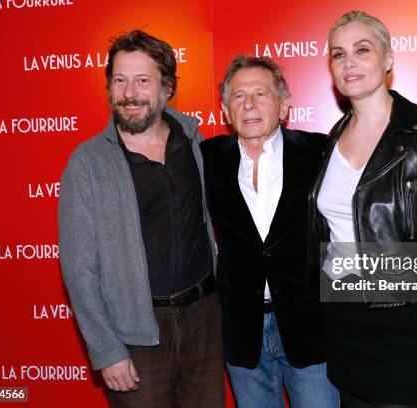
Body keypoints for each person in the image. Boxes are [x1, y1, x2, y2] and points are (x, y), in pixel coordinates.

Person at [308, 11, 417, 408]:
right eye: (338, 54)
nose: (348, 62)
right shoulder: (332, 138)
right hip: (344, 325)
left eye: (362, 50)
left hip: (405, 322)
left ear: (388, 59)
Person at [58, 30, 223, 408]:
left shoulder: (194, 142)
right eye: (120, 80)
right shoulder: (88, 163)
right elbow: (78, 269)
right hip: (135, 336)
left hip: (205, 322)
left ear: (167, 88)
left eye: (142, 81)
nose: (129, 93)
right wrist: (106, 350)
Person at [200, 55, 339, 408]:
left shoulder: (319, 152)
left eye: (261, 93)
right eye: (238, 96)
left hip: (309, 326)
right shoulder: (208, 159)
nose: (249, 104)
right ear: (226, 111)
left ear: (284, 104)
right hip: (243, 330)